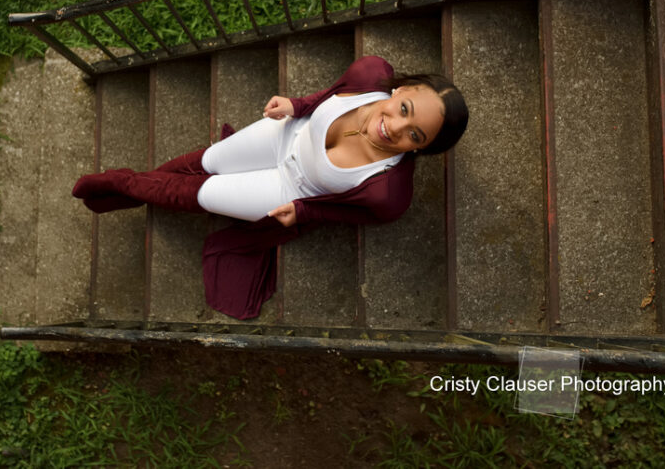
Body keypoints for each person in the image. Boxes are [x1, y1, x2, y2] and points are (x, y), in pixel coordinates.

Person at [72, 55, 468, 319]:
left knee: (202, 194)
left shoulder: (388, 192)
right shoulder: (370, 73)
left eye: (415, 136)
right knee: (208, 161)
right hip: (286, 135)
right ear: (400, 90)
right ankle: (130, 190)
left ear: (422, 149)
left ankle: (121, 183)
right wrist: (297, 105)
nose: (394, 128)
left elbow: (347, 213)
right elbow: (329, 95)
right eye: (404, 109)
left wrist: (305, 211)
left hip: (290, 186)